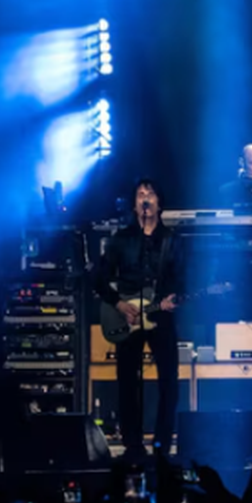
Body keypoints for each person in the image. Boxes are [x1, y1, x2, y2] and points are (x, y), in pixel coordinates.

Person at [94, 178, 186, 463]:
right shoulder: (121, 239)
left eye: (150, 194)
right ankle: (133, 446)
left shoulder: (172, 240)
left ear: (159, 203)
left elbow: (184, 280)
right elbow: (98, 278)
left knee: (169, 382)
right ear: (134, 205)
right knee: (127, 383)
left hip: (161, 316)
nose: (145, 198)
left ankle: (161, 445)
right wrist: (119, 304)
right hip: (129, 318)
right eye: (140, 195)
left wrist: (175, 298)